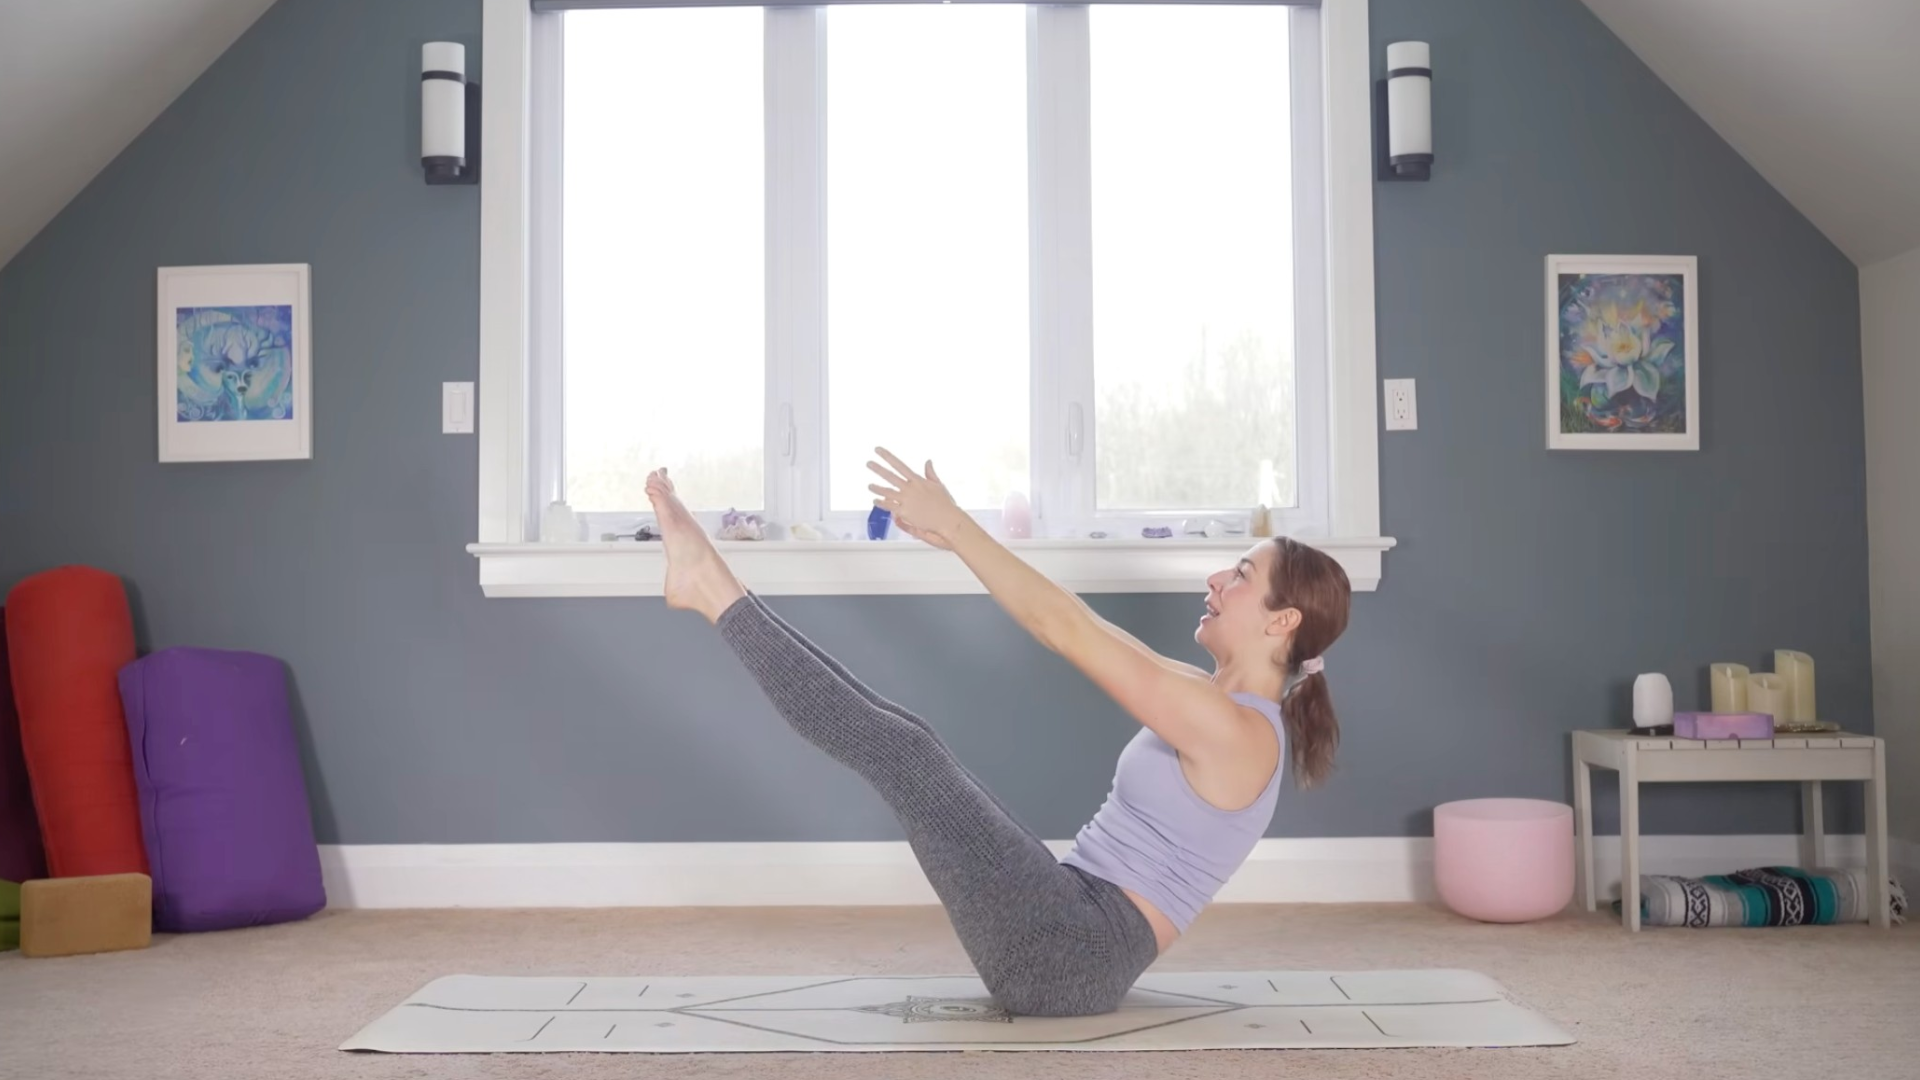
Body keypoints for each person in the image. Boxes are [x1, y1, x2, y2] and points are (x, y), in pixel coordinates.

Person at [643, 448, 1351, 1017]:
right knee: (913, 740)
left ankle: (711, 587)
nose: (1218, 578)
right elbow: (1081, 620)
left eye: (1241, 574)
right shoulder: (1211, 701)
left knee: (904, 754)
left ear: (1282, 620)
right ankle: (716, 586)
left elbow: (1062, 629)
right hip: (1071, 918)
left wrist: (957, 527)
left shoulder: (1237, 732)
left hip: (1072, 956)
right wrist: (954, 534)